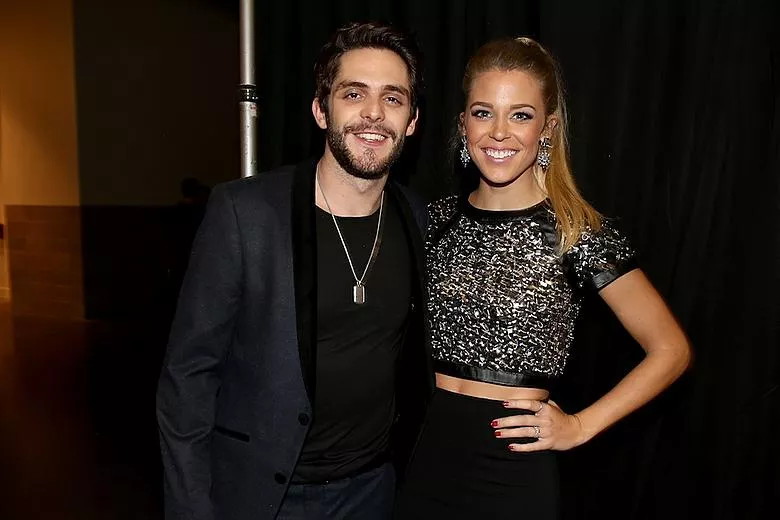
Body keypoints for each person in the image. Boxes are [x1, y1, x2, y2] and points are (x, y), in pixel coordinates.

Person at [395, 37, 691, 519]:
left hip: (511, 476)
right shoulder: (435, 221)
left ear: (547, 127)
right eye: (484, 113)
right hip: (425, 461)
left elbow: (671, 350)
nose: (499, 133)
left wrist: (580, 426)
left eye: (520, 115)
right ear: (463, 123)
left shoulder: (576, 232)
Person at [156, 22, 433, 520]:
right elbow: (188, 376)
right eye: (354, 94)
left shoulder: (418, 218)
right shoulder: (245, 213)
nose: (374, 112)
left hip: (373, 492)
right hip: (264, 497)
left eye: (393, 98)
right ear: (321, 110)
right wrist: (191, 507)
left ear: (412, 121)